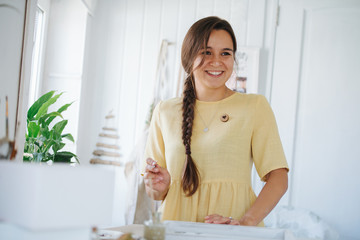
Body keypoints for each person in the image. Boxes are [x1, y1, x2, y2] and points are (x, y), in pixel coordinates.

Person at [143, 16, 289, 226]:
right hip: (176, 229)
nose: (217, 61)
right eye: (206, 52)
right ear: (188, 57)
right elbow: (155, 193)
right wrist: (159, 186)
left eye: (225, 53)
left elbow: (278, 177)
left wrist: (245, 222)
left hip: (233, 234)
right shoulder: (164, 111)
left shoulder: (254, 107)